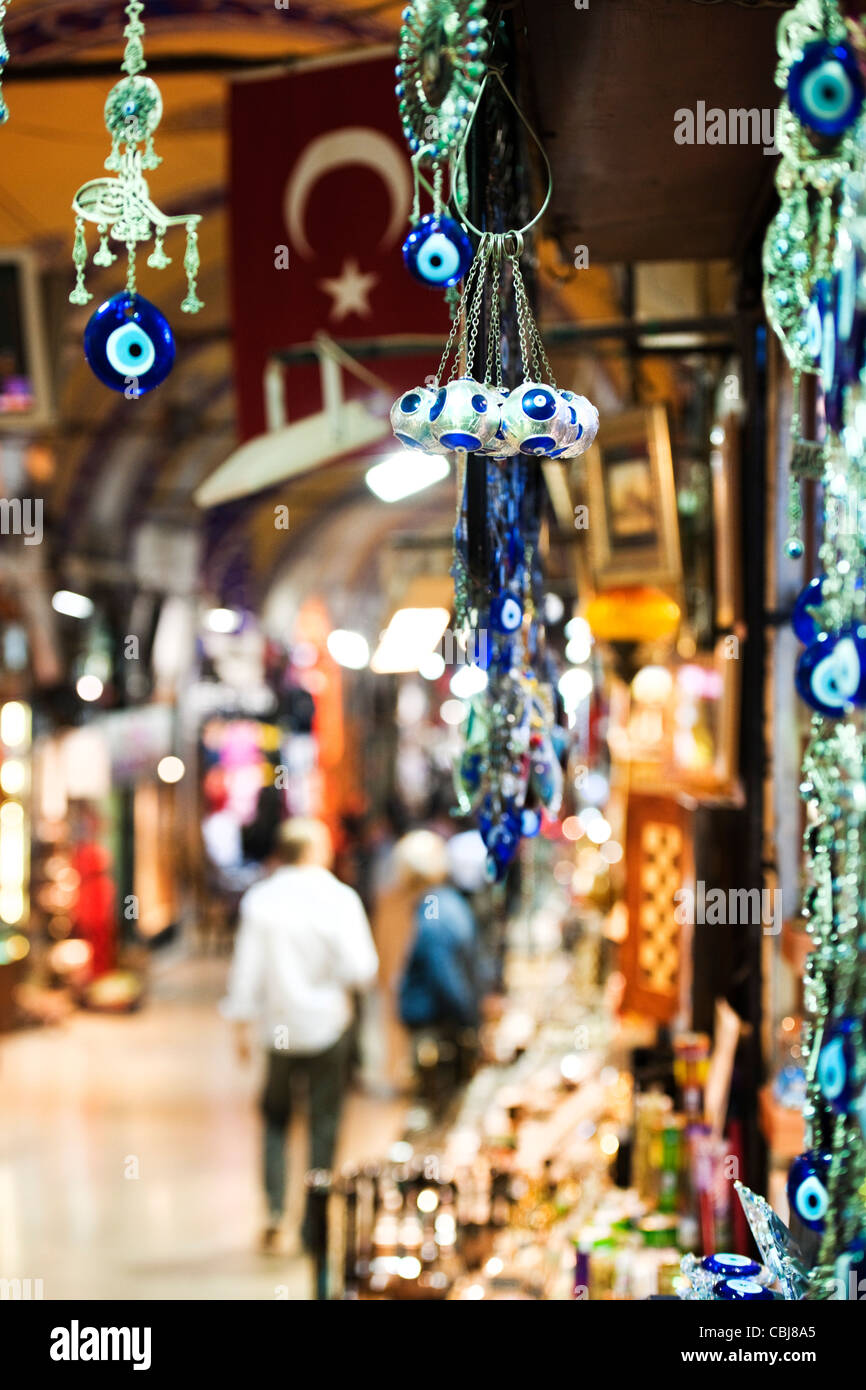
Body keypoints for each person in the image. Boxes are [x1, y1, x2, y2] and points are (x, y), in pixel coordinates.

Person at [221, 817, 379, 1252]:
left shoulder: (262, 901)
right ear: (316, 850)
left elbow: (247, 970)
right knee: (323, 1123)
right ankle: (314, 1218)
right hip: (329, 1026)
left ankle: (274, 1211)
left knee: (276, 1118)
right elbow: (362, 969)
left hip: (280, 1031)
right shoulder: (340, 898)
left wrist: (240, 1022)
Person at [395, 830, 490, 1105]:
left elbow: (445, 977)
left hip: (436, 1027)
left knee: (437, 1106)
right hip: (445, 1024)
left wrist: (468, 1023)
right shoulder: (446, 901)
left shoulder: (435, 909)